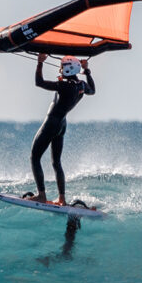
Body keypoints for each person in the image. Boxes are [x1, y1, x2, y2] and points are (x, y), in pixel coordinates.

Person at [28, 53, 94, 205]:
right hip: (62, 125)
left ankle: (41, 195)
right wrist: (87, 71)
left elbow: (39, 82)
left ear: (68, 70)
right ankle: (62, 198)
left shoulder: (63, 86)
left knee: (34, 157)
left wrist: (40, 62)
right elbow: (93, 90)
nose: (59, 69)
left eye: (61, 67)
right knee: (56, 162)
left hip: (51, 123)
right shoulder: (81, 86)